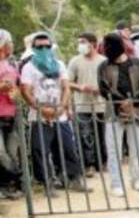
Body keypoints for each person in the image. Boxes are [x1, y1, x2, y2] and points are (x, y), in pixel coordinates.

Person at [20, 32, 89, 195]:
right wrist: (41, 109)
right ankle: (47, 183)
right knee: (40, 150)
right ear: (33, 48)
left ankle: (74, 179)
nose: (44, 49)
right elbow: (25, 91)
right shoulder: (29, 67)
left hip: (60, 114)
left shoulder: (59, 65)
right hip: (39, 116)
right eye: (40, 47)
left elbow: (66, 87)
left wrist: (62, 107)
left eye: (47, 46)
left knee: (68, 148)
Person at [98, 33, 139, 197]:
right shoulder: (104, 66)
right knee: (114, 151)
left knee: (136, 149)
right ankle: (116, 183)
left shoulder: (137, 63)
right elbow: (103, 88)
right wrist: (121, 102)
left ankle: (137, 179)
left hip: (137, 111)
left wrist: (133, 102)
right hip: (113, 113)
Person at [67, 32, 107, 177]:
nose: (80, 45)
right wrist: (80, 87)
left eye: (83, 42)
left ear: (93, 44)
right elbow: (67, 82)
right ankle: (88, 165)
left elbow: (110, 82)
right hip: (82, 106)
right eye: (79, 42)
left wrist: (100, 89)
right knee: (85, 137)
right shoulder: (75, 61)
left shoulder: (104, 61)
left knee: (103, 136)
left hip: (101, 105)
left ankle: (102, 163)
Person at [0, 29, 22, 199]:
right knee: (1, 154)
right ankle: (18, 177)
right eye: (9, 42)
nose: (12, 45)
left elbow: (18, 89)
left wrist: (15, 93)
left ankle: (9, 186)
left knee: (12, 153)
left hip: (11, 114)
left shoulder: (13, 65)